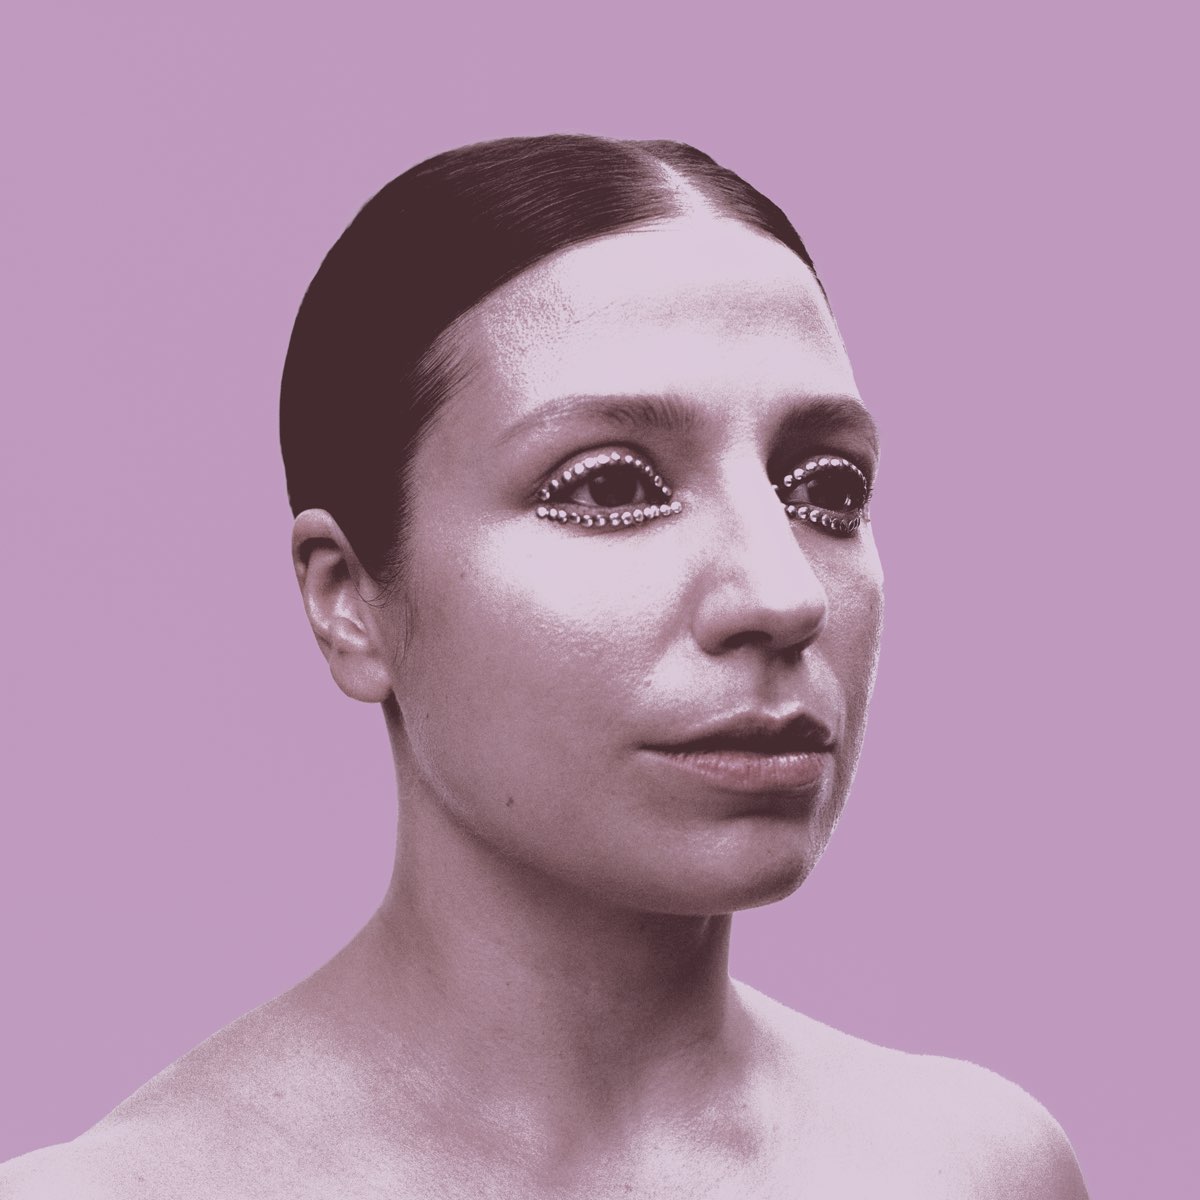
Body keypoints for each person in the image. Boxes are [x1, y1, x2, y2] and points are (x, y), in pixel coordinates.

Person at [0, 135, 1089, 1199]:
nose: (783, 593)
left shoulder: (976, 1170)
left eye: (826, 490)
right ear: (349, 601)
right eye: (610, 487)